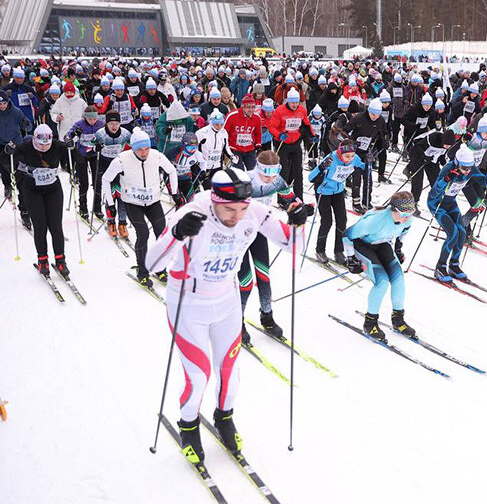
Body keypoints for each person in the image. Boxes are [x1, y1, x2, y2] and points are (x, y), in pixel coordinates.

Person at [145, 167, 309, 463]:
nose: (236, 216)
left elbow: (295, 249)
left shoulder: (254, 211)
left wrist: (298, 223)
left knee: (230, 371)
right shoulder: (192, 213)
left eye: (241, 209)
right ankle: (188, 426)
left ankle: (223, 417)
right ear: (214, 200)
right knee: (198, 376)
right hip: (188, 304)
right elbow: (152, 264)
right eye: (229, 209)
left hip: (226, 301)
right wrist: (177, 235)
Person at [101, 128, 179, 286]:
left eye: (146, 148)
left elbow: (172, 171)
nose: (144, 153)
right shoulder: (122, 160)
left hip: (153, 201)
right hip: (132, 203)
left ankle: (160, 268)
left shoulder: (156, 156)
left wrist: (175, 193)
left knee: (161, 234)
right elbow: (106, 179)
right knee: (143, 233)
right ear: (132, 148)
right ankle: (142, 271)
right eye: (139, 149)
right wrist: (111, 203)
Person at [239, 151, 297, 344]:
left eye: (274, 173)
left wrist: (300, 210)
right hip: (239, 236)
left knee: (264, 277)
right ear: (258, 168)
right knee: (245, 283)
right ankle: (237, 321)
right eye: (266, 174)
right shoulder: (245, 180)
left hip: (260, 231)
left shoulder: (277, 180)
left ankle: (267, 316)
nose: (270, 178)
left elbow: (291, 199)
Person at [343, 191, 416, 340]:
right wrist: (351, 258)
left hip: (382, 244)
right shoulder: (375, 221)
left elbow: (404, 231)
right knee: (382, 281)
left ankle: (398, 319)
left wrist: (398, 249)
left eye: (411, 213)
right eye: (404, 214)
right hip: (362, 245)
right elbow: (347, 234)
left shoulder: (407, 219)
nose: (407, 217)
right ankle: (370, 323)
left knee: (398, 279)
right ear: (393, 209)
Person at [14, 125, 68, 276]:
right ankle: (42, 260)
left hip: (53, 189)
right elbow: (8, 162)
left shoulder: (57, 145)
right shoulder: (25, 147)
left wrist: (72, 147)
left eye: (46, 144)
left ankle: (61, 260)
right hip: (32, 190)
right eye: (40, 144)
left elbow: (77, 159)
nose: (44, 147)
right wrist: (8, 152)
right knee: (40, 226)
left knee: (56, 226)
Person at [427, 144, 484, 281]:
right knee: (452, 233)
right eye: (464, 168)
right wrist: (446, 179)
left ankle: (454, 265)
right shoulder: (448, 168)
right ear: (457, 163)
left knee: (462, 232)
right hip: (437, 204)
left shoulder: (470, 169)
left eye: (469, 168)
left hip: (451, 202)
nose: (467, 171)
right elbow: (434, 193)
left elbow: (482, 179)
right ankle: (440, 267)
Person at [309, 139, 364, 264]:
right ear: (340, 152)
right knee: (327, 221)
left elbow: (363, 167)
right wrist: (322, 167)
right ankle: (320, 250)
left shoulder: (354, 159)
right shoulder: (331, 158)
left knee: (342, 220)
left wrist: (368, 162)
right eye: (347, 156)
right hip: (323, 191)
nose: (350, 159)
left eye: (352, 156)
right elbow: (311, 177)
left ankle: (339, 251)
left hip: (338, 191)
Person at [65, 105, 104, 219]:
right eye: (90, 119)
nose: (92, 121)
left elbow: (106, 136)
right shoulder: (80, 124)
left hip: (95, 155)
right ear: (85, 117)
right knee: (84, 182)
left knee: (97, 182)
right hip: (81, 155)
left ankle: (97, 208)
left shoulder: (100, 124)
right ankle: (83, 207)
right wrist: (72, 136)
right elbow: (67, 136)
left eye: (94, 118)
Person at [0, 90, 32, 200]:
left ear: (8, 102)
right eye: (0, 104)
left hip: (15, 141)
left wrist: (26, 124)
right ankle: (7, 186)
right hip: (2, 143)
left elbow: (28, 127)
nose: (2, 106)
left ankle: (21, 186)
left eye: (4, 103)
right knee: (3, 167)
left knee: (19, 166)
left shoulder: (16, 111)